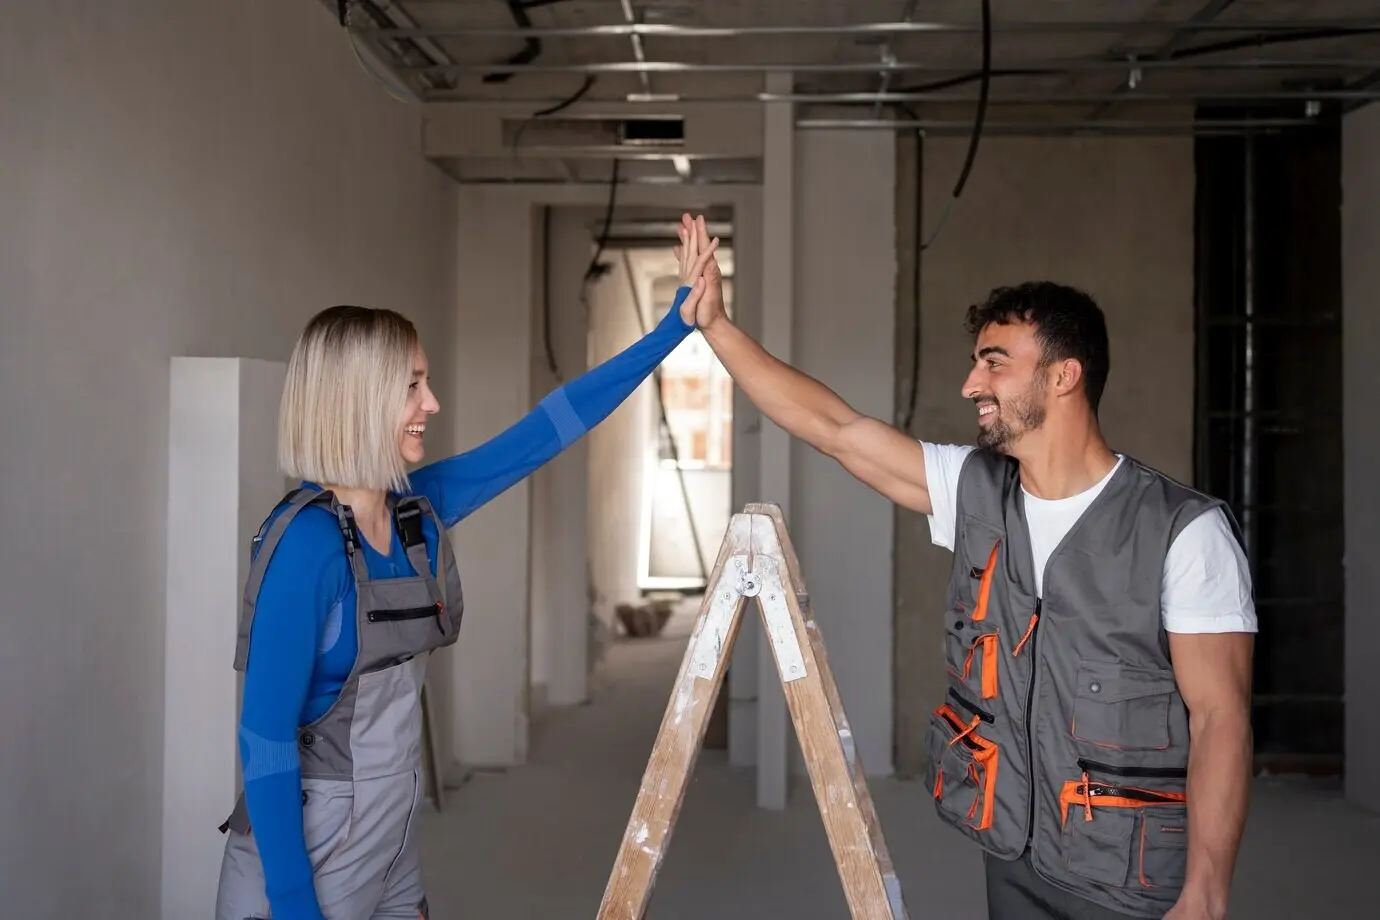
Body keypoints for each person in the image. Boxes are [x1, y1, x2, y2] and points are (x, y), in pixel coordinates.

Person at [675, 214, 1255, 920]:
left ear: (1064, 375)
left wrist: (1207, 890)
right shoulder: (975, 491)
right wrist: (717, 327)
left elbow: (1220, 717)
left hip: (1132, 880)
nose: (970, 383)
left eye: (994, 362)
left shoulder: (1184, 532)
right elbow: (834, 430)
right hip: (1012, 856)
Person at [214, 232, 719, 920]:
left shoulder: (416, 514)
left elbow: (546, 430)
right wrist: (295, 904)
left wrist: (674, 328)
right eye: (413, 386)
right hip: (306, 853)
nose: (433, 404)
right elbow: (266, 737)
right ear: (359, 400)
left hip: (391, 832)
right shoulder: (305, 546)